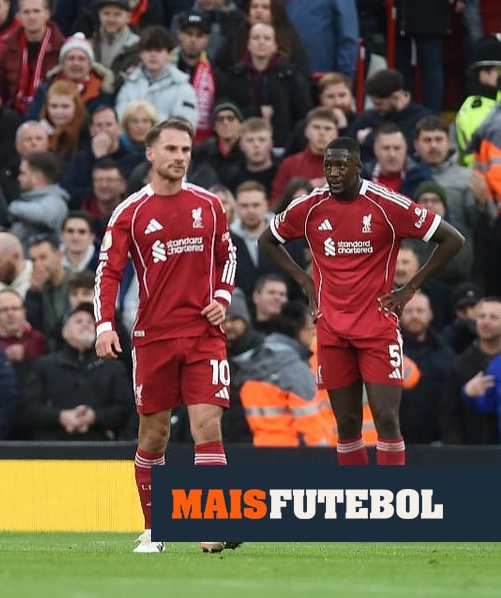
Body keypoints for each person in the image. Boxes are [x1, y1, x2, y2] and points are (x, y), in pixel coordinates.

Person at [258, 137, 465, 467]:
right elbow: (267, 240)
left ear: (358, 166)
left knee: (386, 419)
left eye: (341, 165)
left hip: (377, 326)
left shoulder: (387, 204)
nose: (333, 172)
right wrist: (304, 280)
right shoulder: (310, 207)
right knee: (347, 425)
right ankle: (357, 495)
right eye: (328, 166)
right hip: (331, 328)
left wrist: (409, 288)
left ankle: (388, 495)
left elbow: (452, 239)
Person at [93, 117, 237, 554]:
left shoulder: (209, 204)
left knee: (206, 425)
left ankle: (213, 524)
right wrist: (104, 325)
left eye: (186, 150)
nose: (179, 157)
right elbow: (108, 271)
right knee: (154, 435)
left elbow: (227, 256)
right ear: (151, 153)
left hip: (203, 333)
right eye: (171, 149)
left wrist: (222, 297)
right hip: (153, 336)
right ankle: (156, 528)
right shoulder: (131, 211)